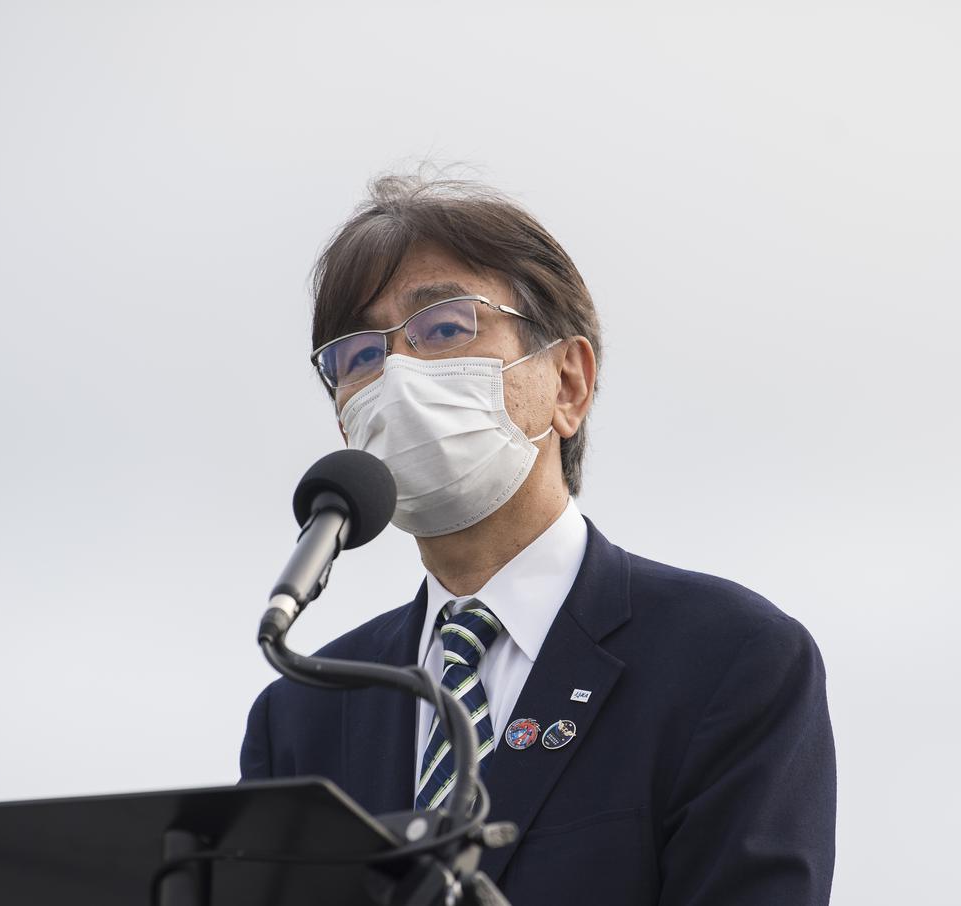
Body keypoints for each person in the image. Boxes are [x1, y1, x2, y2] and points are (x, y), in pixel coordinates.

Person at [239, 174, 836, 905]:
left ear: (569, 383)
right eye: (360, 356)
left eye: (445, 327)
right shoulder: (303, 714)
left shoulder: (730, 659)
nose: (397, 371)